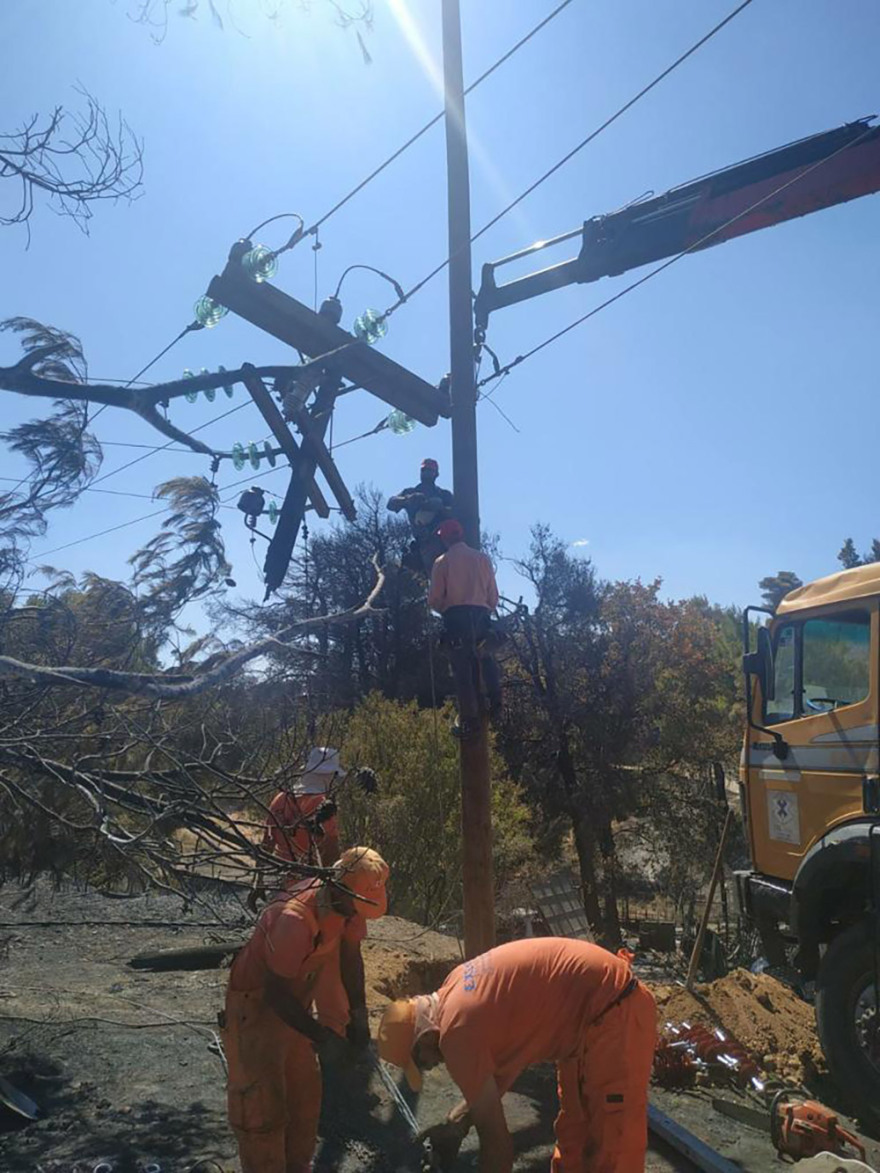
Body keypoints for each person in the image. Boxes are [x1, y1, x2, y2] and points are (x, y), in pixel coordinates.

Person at [377, 937, 656, 1173]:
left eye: (423, 1061)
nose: (432, 1065)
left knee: (613, 1145)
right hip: (587, 1015)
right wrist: (456, 1123)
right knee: (575, 1135)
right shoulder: (454, 987)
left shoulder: (456, 1034)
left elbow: (497, 1146)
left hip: (614, 1010)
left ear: (424, 1036)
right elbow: (498, 1069)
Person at [223, 846, 390, 1173]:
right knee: (263, 1111)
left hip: (294, 1009)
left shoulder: (348, 909)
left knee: (304, 1102)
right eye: (356, 908)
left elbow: (350, 957)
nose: (358, 916)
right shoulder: (295, 918)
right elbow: (274, 992)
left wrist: (358, 1015)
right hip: (255, 1010)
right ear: (340, 889)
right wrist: (323, 1037)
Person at [428, 518, 502, 736]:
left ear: (444, 538)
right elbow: (493, 597)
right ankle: (496, 703)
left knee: (463, 670)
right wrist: (483, 608)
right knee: (485, 658)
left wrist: (446, 610)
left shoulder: (443, 562)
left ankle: (470, 721)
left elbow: (434, 599)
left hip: (456, 618)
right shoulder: (482, 559)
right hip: (481, 616)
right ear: (461, 534)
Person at [249, 747, 345, 910]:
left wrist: (259, 883)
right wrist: (336, 888)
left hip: (281, 883)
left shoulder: (280, 799)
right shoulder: (323, 805)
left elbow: (266, 847)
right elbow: (330, 850)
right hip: (310, 886)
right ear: (329, 776)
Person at [387, 457, 454, 572]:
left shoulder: (444, 495)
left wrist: (440, 508)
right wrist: (407, 499)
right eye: (424, 470)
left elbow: (458, 513)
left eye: (429, 470)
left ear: (436, 474)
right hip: (422, 544)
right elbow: (391, 503)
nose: (426, 473)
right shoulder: (410, 492)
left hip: (443, 544)